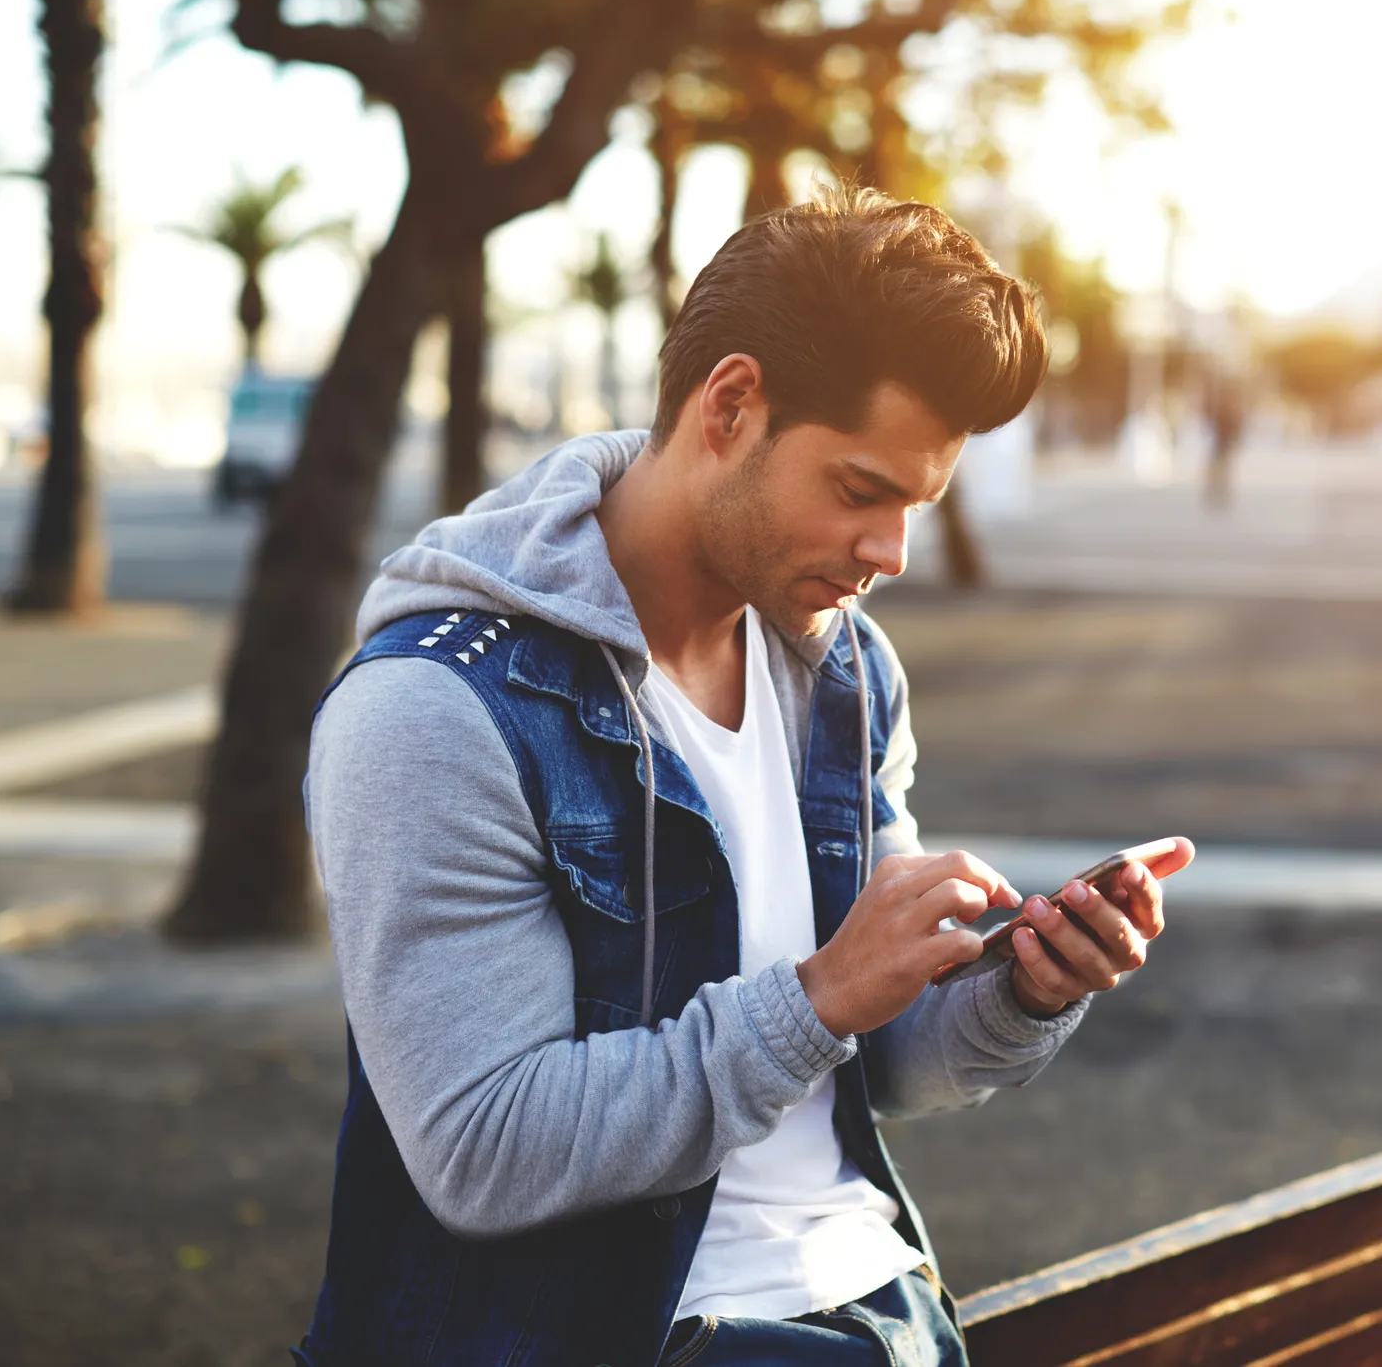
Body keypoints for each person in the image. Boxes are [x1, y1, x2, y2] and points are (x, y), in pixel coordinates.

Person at [294, 186, 1195, 1367]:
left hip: (881, 1311)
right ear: (729, 406)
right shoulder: (435, 709)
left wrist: (1024, 987)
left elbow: (890, 1059)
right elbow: (484, 1148)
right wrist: (818, 991)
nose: (892, 553)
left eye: (918, 505)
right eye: (860, 491)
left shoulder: (844, 674)